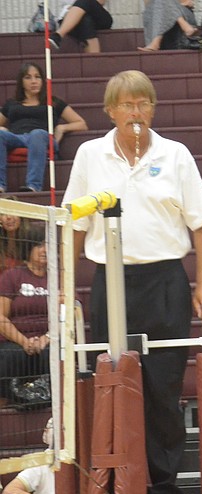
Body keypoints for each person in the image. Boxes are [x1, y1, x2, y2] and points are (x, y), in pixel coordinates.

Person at [62, 70, 202, 494]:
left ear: (153, 109)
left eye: (144, 103)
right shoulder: (90, 155)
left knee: (163, 393)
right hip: (110, 282)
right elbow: (74, 227)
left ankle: (166, 492)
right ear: (110, 110)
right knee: (111, 387)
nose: (137, 112)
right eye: (128, 104)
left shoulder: (176, 154)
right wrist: (65, 290)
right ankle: (114, 492)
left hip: (165, 281)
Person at [0, 62, 88, 193]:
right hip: (17, 138)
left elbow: (81, 123)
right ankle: (0, 185)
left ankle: (33, 186)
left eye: (37, 77)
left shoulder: (52, 102)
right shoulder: (12, 104)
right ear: (21, 82)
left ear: (42, 80)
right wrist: (3, 129)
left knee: (37, 134)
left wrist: (62, 128)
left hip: (43, 138)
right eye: (28, 77)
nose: (33, 81)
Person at [0, 223, 50, 408]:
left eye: (48, 245)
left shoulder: (60, 277)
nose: (45, 250)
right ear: (28, 247)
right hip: (17, 341)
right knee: (8, 356)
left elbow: (68, 316)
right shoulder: (11, 276)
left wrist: (46, 338)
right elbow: (1, 317)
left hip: (49, 341)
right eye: (39, 245)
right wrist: (24, 342)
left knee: (54, 354)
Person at [48, 0, 113, 53]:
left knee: (84, 1)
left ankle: (58, 35)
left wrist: (77, 6)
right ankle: (94, 59)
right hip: (69, 19)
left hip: (99, 17)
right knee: (85, 20)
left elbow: (101, 2)